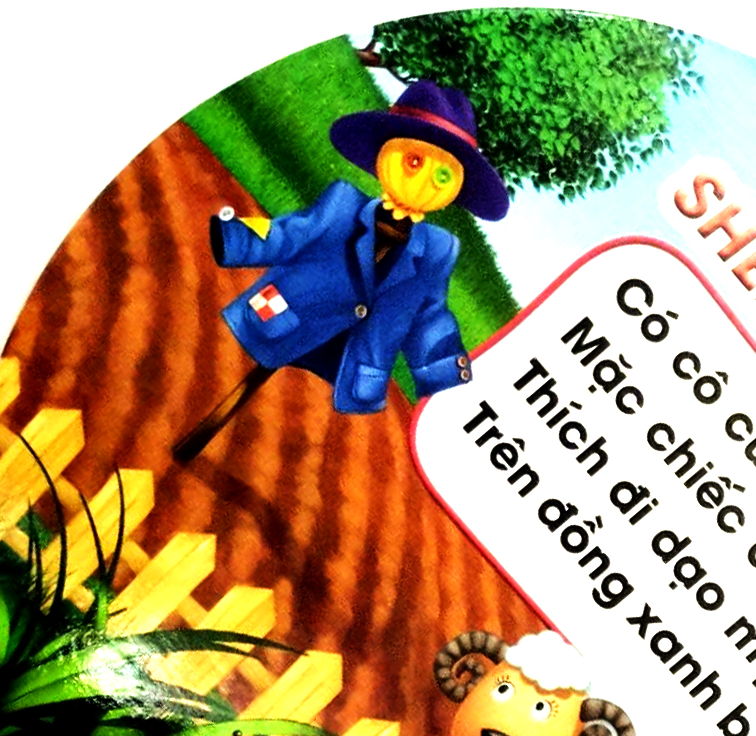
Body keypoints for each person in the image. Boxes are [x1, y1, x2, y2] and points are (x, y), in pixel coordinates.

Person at [171, 77, 511, 463]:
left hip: (355, 358)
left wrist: (443, 373)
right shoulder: (342, 203)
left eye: (442, 177)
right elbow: (290, 234)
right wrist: (236, 238)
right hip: (292, 316)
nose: (424, 184)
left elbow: (429, 315)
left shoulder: (437, 250)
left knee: (316, 438)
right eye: (414, 162)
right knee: (252, 379)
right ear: (385, 156)